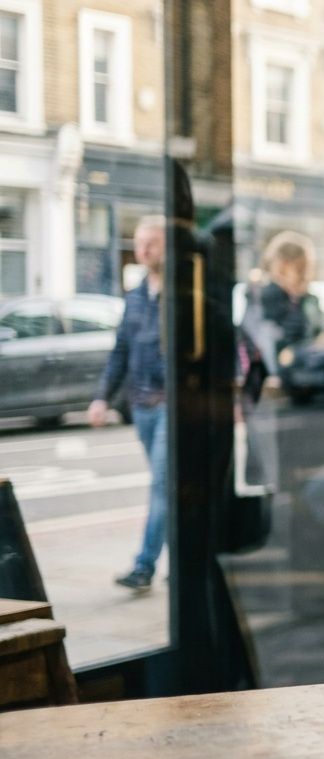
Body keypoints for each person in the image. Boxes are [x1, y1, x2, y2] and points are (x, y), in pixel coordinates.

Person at [90, 216, 169, 591]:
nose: (143, 250)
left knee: (162, 484)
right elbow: (120, 350)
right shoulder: (135, 296)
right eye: (140, 243)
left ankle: (145, 565)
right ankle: (187, 559)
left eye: (151, 243)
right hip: (141, 405)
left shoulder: (181, 295)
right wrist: (102, 397)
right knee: (165, 487)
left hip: (172, 402)